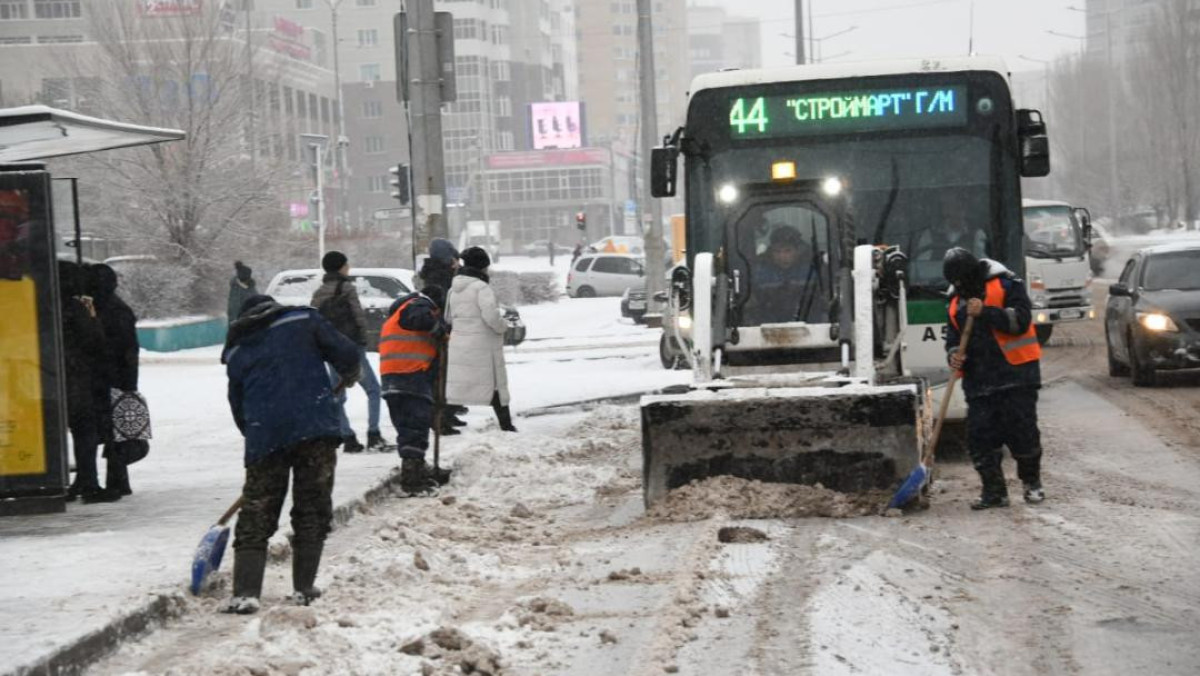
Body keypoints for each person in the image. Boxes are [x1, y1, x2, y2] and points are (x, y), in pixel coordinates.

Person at [221, 294, 361, 614]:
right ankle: (305, 588)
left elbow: (237, 405)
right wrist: (349, 371)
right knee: (312, 506)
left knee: (257, 511)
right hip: (315, 429)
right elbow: (348, 352)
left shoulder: (237, 349)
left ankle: (245, 592)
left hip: (265, 434)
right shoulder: (303, 321)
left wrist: (260, 436)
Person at [943, 247, 1045, 510]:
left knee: (1022, 433)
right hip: (979, 382)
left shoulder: (1007, 285)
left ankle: (1032, 483)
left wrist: (987, 311)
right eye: (955, 283)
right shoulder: (955, 303)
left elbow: (1020, 321)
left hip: (1016, 375)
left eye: (962, 280)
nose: (960, 286)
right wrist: (954, 355)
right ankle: (994, 491)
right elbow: (953, 339)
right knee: (980, 438)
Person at [379, 285, 451, 495]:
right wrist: (438, 328)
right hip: (410, 375)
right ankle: (412, 479)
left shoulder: (401, 310)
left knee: (407, 427)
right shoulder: (418, 305)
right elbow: (419, 318)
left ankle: (417, 467)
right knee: (415, 427)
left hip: (394, 377)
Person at [311, 251, 384, 453]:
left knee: (337, 395)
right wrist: (364, 339)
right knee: (373, 390)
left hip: (332, 351)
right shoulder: (347, 288)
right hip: (352, 348)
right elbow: (358, 315)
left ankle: (347, 436)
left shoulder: (318, 293)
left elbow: (315, 323)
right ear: (342, 267)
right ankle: (374, 434)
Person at [60, 262, 120, 503]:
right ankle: (89, 483)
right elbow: (94, 340)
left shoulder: (44, 303)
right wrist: (93, 318)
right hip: (77, 378)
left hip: (54, 378)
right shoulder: (76, 308)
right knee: (85, 430)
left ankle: (80, 481)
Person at [446, 247, 517, 433]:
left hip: (460, 345)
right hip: (483, 348)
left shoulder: (453, 289)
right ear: (481, 267)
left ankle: (441, 420)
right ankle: (506, 425)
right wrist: (503, 326)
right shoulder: (481, 288)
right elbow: (491, 317)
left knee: (462, 387)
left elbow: (448, 318)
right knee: (495, 386)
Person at [91, 264, 140, 496]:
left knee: (111, 431)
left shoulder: (108, 310)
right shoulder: (115, 308)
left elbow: (126, 351)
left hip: (109, 379)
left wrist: (128, 386)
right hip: (115, 378)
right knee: (113, 431)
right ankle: (118, 480)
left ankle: (116, 482)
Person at [416, 238, 468, 434]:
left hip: (444, 327)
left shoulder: (438, 272)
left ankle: (447, 412)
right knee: (441, 375)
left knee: (447, 373)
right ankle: (440, 418)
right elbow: (447, 299)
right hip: (442, 328)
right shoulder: (440, 275)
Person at [748, 226, 820, 324]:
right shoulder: (759, 273)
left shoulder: (813, 270)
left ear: (797, 251)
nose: (782, 257)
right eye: (777, 251)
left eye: (787, 251)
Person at [227, 261, 257, 325]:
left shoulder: (251, 288)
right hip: (241, 323)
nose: (248, 279)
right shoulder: (236, 290)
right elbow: (234, 308)